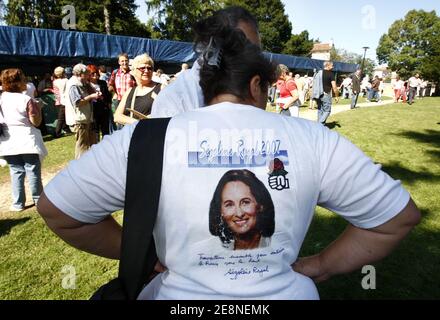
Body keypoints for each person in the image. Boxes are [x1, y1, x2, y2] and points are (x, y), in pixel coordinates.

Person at [37, 8, 420, 300]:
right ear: (257, 84)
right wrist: (320, 265)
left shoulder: (147, 138)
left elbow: (58, 210)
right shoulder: (314, 138)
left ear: (204, 83)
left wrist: (141, 257)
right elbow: (396, 219)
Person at [149, 6, 261, 118]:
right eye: (242, 49)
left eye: (255, 52)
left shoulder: (252, 91)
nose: (252, 60)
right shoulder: (175, 99)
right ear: (212, 46)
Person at [0, 68, 47, 211]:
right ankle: (39, 200)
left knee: (16, 171)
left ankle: (18, 203)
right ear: (18, 82)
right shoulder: (26, 99)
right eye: (23, 79)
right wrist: (38, 108)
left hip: (8, 140)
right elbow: (36, 122)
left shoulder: (1, 98)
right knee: (32, 170)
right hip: (26, 138)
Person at [209, 170, 275, 250]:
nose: (239, 214)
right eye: (229, 204)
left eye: (245, 202)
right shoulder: (215, 250)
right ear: (220, 211)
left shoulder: (277, 244)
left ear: (260, 205)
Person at [64, 63, 100, 159]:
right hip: (79, 121)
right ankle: (80, 168)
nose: (89, 76)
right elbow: (78, 102)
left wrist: (91, 89)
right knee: (82, 147)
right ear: (80, 74)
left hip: (85, 119)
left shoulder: (81, 83)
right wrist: (91, 97)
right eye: (87, 74)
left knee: (90, 144)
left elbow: (90, 91)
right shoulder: (73, 85)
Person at [113, 54, 161, 125]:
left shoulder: (161, 88)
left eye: (149, 68)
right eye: (142, 68)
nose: (146, 71)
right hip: (133, 134)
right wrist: (138, 123)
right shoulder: (130, 91)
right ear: (134, 71)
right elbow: (117, 117)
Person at [87, 65, 112, 140]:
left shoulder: (103, 83)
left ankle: (106, 146)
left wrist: (108, 104)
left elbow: (108, 95)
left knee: (105, 130)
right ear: (88, 75)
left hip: (104, 108)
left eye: (96, 73)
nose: (95, 75)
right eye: (92, 73)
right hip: (93, 110)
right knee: (95, 130)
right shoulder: (86, 85)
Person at [52, 66, 70, 138]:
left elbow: (56, 93)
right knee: (61, 118)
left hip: (58, 101)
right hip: (65, 101)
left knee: (61, 117)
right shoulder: (66, 80)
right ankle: (57, 132)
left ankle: (66, 129)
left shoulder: (54, 82)